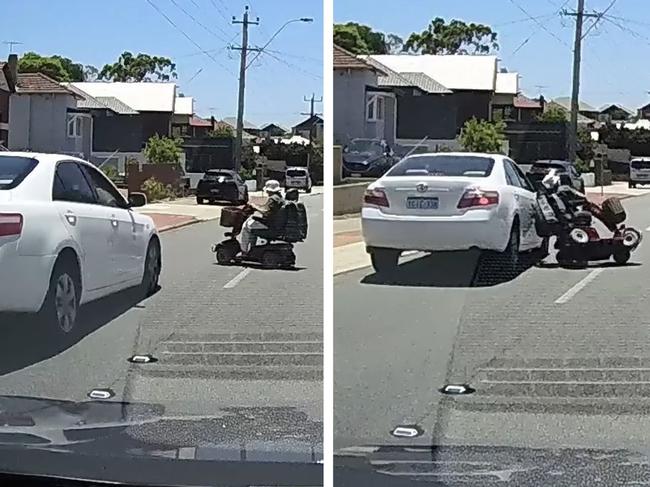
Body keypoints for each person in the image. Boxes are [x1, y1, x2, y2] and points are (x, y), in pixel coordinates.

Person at [239, 179, 285, 255]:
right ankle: (252, 249)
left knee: (246, 227)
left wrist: (254, 207)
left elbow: (266, 212)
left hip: (270, 224)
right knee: (252, 225)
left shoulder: (272, 199)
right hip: (276, 223)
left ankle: (244, 251)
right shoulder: (279, 198)